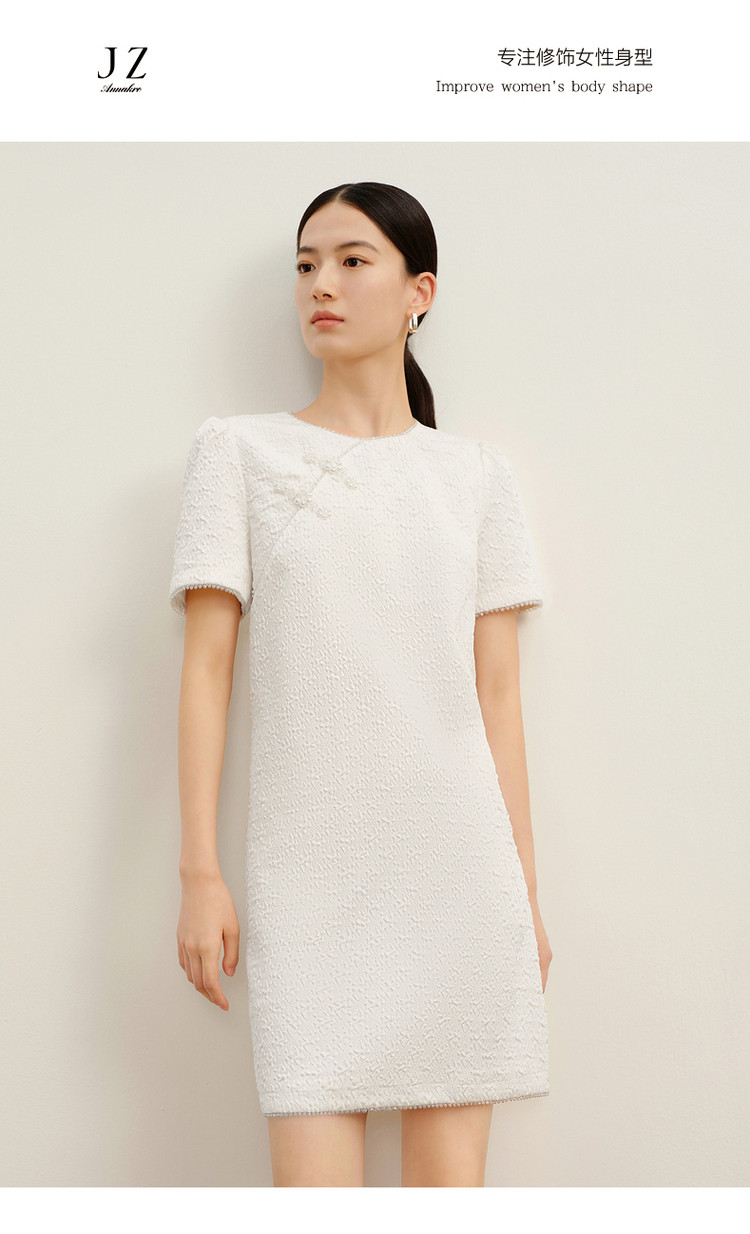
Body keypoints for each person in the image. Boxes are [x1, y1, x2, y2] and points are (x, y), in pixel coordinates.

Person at [170, 181, 552, 1187]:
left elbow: (498, 699)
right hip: (309, 879)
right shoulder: (239, 453)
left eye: (350, 261)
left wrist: (524, 895)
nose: (320, 285)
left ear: (420, 292)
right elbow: (205, 671)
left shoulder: (477, 477)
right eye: (305, 265)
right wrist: (199, 872)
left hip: (460, 878)